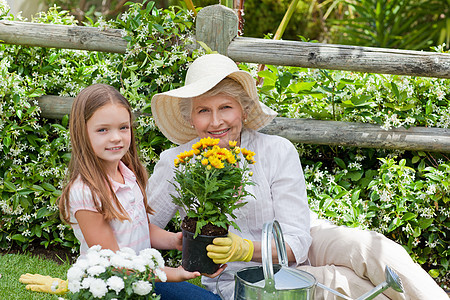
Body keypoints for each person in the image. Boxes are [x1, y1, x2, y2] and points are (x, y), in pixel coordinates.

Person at [148, 54, 449, 300]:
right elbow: (142, 225)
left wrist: (243, 245)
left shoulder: (277, 150)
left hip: (302, 240)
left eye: (225, 107)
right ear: (191, 117)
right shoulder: (177, 162)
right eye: (203, 110)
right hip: (245, 276)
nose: (216, 121)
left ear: (243, 108)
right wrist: (180, 244)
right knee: (347, 283)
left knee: (366, 246)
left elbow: (297, 239)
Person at [19, 84, 223, 299]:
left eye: (123, 128)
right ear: (82, 132)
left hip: (143, 278)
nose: (116, 137)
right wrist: (175, 274)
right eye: (102, 130)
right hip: (112, 287)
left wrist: (175, 241)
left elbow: (140, 227)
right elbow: (114, 264)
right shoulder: (85, 192)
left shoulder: (127, 174)